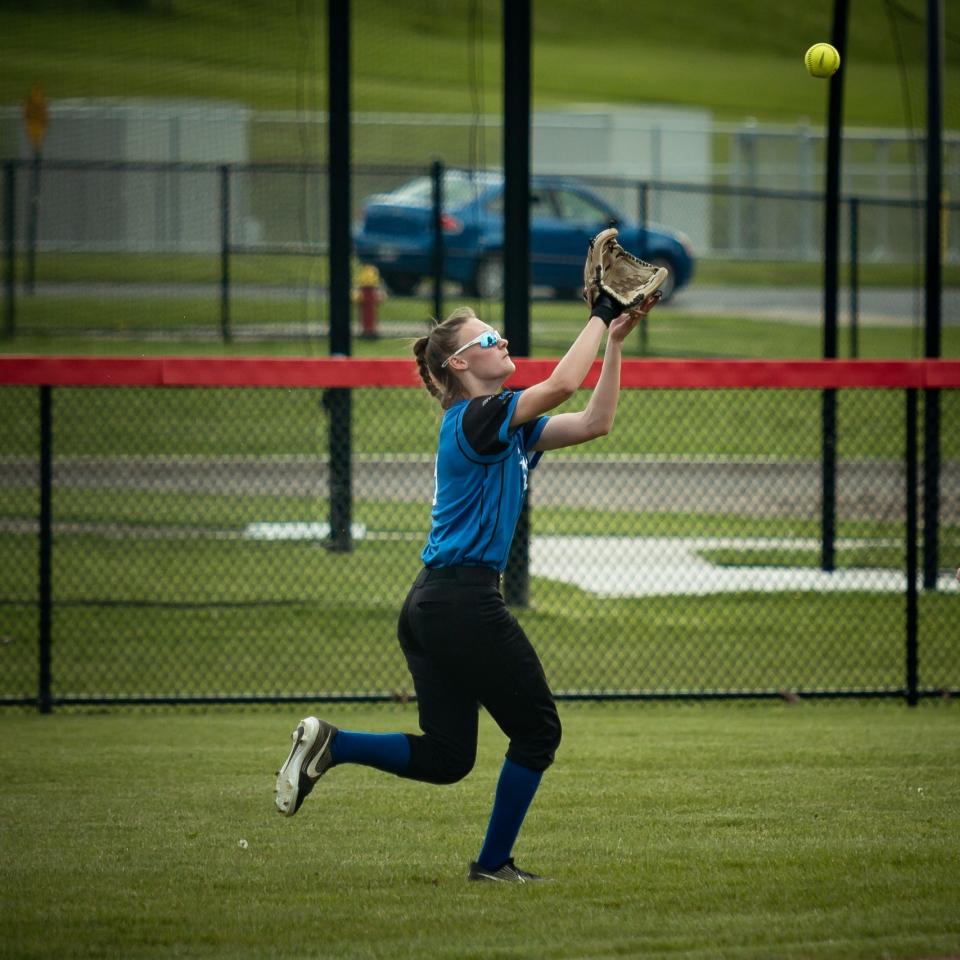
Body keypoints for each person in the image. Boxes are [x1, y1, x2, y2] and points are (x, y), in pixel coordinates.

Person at [274, 289, 660, 883]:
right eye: (488, 339)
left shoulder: (499, 426)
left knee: (449, 757)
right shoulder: (480, 418)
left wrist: (611, 342)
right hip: (462, 603)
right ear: (458, 364)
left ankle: (333, 742)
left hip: (430, 603)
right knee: (537, 731)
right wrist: (600, 313)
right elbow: (559, 387)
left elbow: (594, 421)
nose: (502, 342)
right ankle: (493, 865)